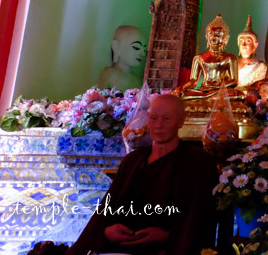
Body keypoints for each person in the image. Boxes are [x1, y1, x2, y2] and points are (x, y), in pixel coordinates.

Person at [67, 94, 218, 255]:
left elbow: (201, 219)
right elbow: (106, 211)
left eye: (166, 118)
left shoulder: (197, 162)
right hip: (120, 246)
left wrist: (168, 236)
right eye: (153, 118)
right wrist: (107, 231)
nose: (158, 125)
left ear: (181, 121)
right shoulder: (133, 161)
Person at [178, 14, 240, 98]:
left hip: (220, 91)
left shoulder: (230, 58)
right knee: (185, 95)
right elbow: (193, 81)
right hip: (203, 90)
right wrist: (181, 89)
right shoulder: (199, 58)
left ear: (225, 38)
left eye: (218, 34)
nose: (214, 36)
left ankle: (207, 96)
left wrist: (217, 88)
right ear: (207, 37)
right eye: (211, 33)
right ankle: (206, 96)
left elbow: (234, 81)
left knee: (239, 96)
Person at [98, 25, 146, 91]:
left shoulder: (136, 79)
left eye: (144, 50)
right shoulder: (109, 73)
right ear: (116, 47)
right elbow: (101, 98)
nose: (142, 54)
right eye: (136, 47)